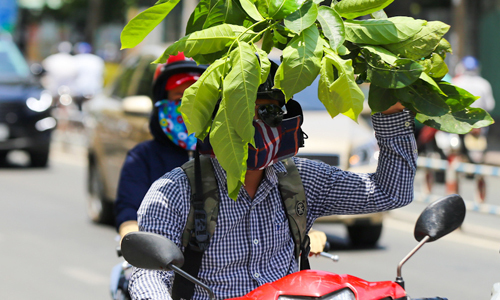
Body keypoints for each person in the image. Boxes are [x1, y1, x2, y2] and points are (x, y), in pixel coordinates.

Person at [128, 61, 417, 300]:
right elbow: (149, 276)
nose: (255, 125)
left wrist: (391, 114)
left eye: (267, 112)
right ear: (217, 121)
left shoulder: (303, 179)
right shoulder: (174, 192)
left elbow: (390, 192)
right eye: (241, 113)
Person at [114, 52, 207, 239]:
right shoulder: (142, 157)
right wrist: (132, 237)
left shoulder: (226, 157)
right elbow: (129, 211)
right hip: (159, 258)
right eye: (179, 98)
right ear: (161, 103)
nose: (187, 107)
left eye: (195, 98)